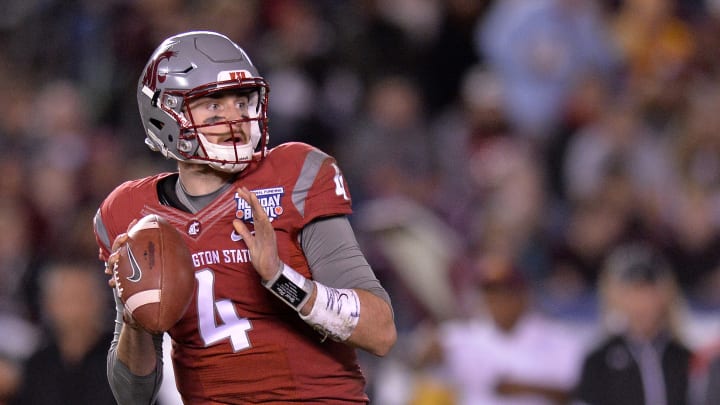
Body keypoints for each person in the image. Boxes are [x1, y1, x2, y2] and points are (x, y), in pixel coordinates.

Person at [92, 30, 397, 404]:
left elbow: (380, 332)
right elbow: (132, 396)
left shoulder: (293, 173)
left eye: (241, 101)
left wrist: (281, 280)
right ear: (165, 115)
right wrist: (134, 316)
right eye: (213, 105)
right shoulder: (129, 213)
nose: (234, 118)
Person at [410, 253, 584, 405]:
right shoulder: (463, 337)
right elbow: (417, 365)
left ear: (522, 295)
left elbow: (574, 394)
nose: (496, 303)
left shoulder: (557, 338)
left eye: (504, 294)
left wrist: (521, 387)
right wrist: (427, 353)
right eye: (490, 295)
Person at [573, 242, 691, 405]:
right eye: (632, 293)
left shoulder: (684, 358)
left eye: (648, 292)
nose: (641, 303)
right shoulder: (599, 360)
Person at [9, 261, 115, 404]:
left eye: (83, 298)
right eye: (67, 299)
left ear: (101, 302)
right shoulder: (38, 365)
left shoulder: (125, 362)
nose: (77, 310)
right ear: (49, 305)